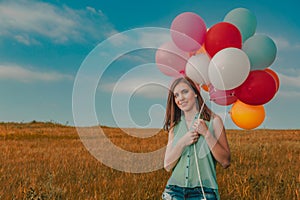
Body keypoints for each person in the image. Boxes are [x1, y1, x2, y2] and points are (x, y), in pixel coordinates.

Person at [162, 76, 231, 200]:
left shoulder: (214, 121)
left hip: (204, 192)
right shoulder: (175, 126)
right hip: (173, 191)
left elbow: (225, 161)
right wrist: (182, 142)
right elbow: (167, 165)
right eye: (176, 95)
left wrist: (207, 134)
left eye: (185, 92)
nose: (180, 98)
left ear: (195, 93)